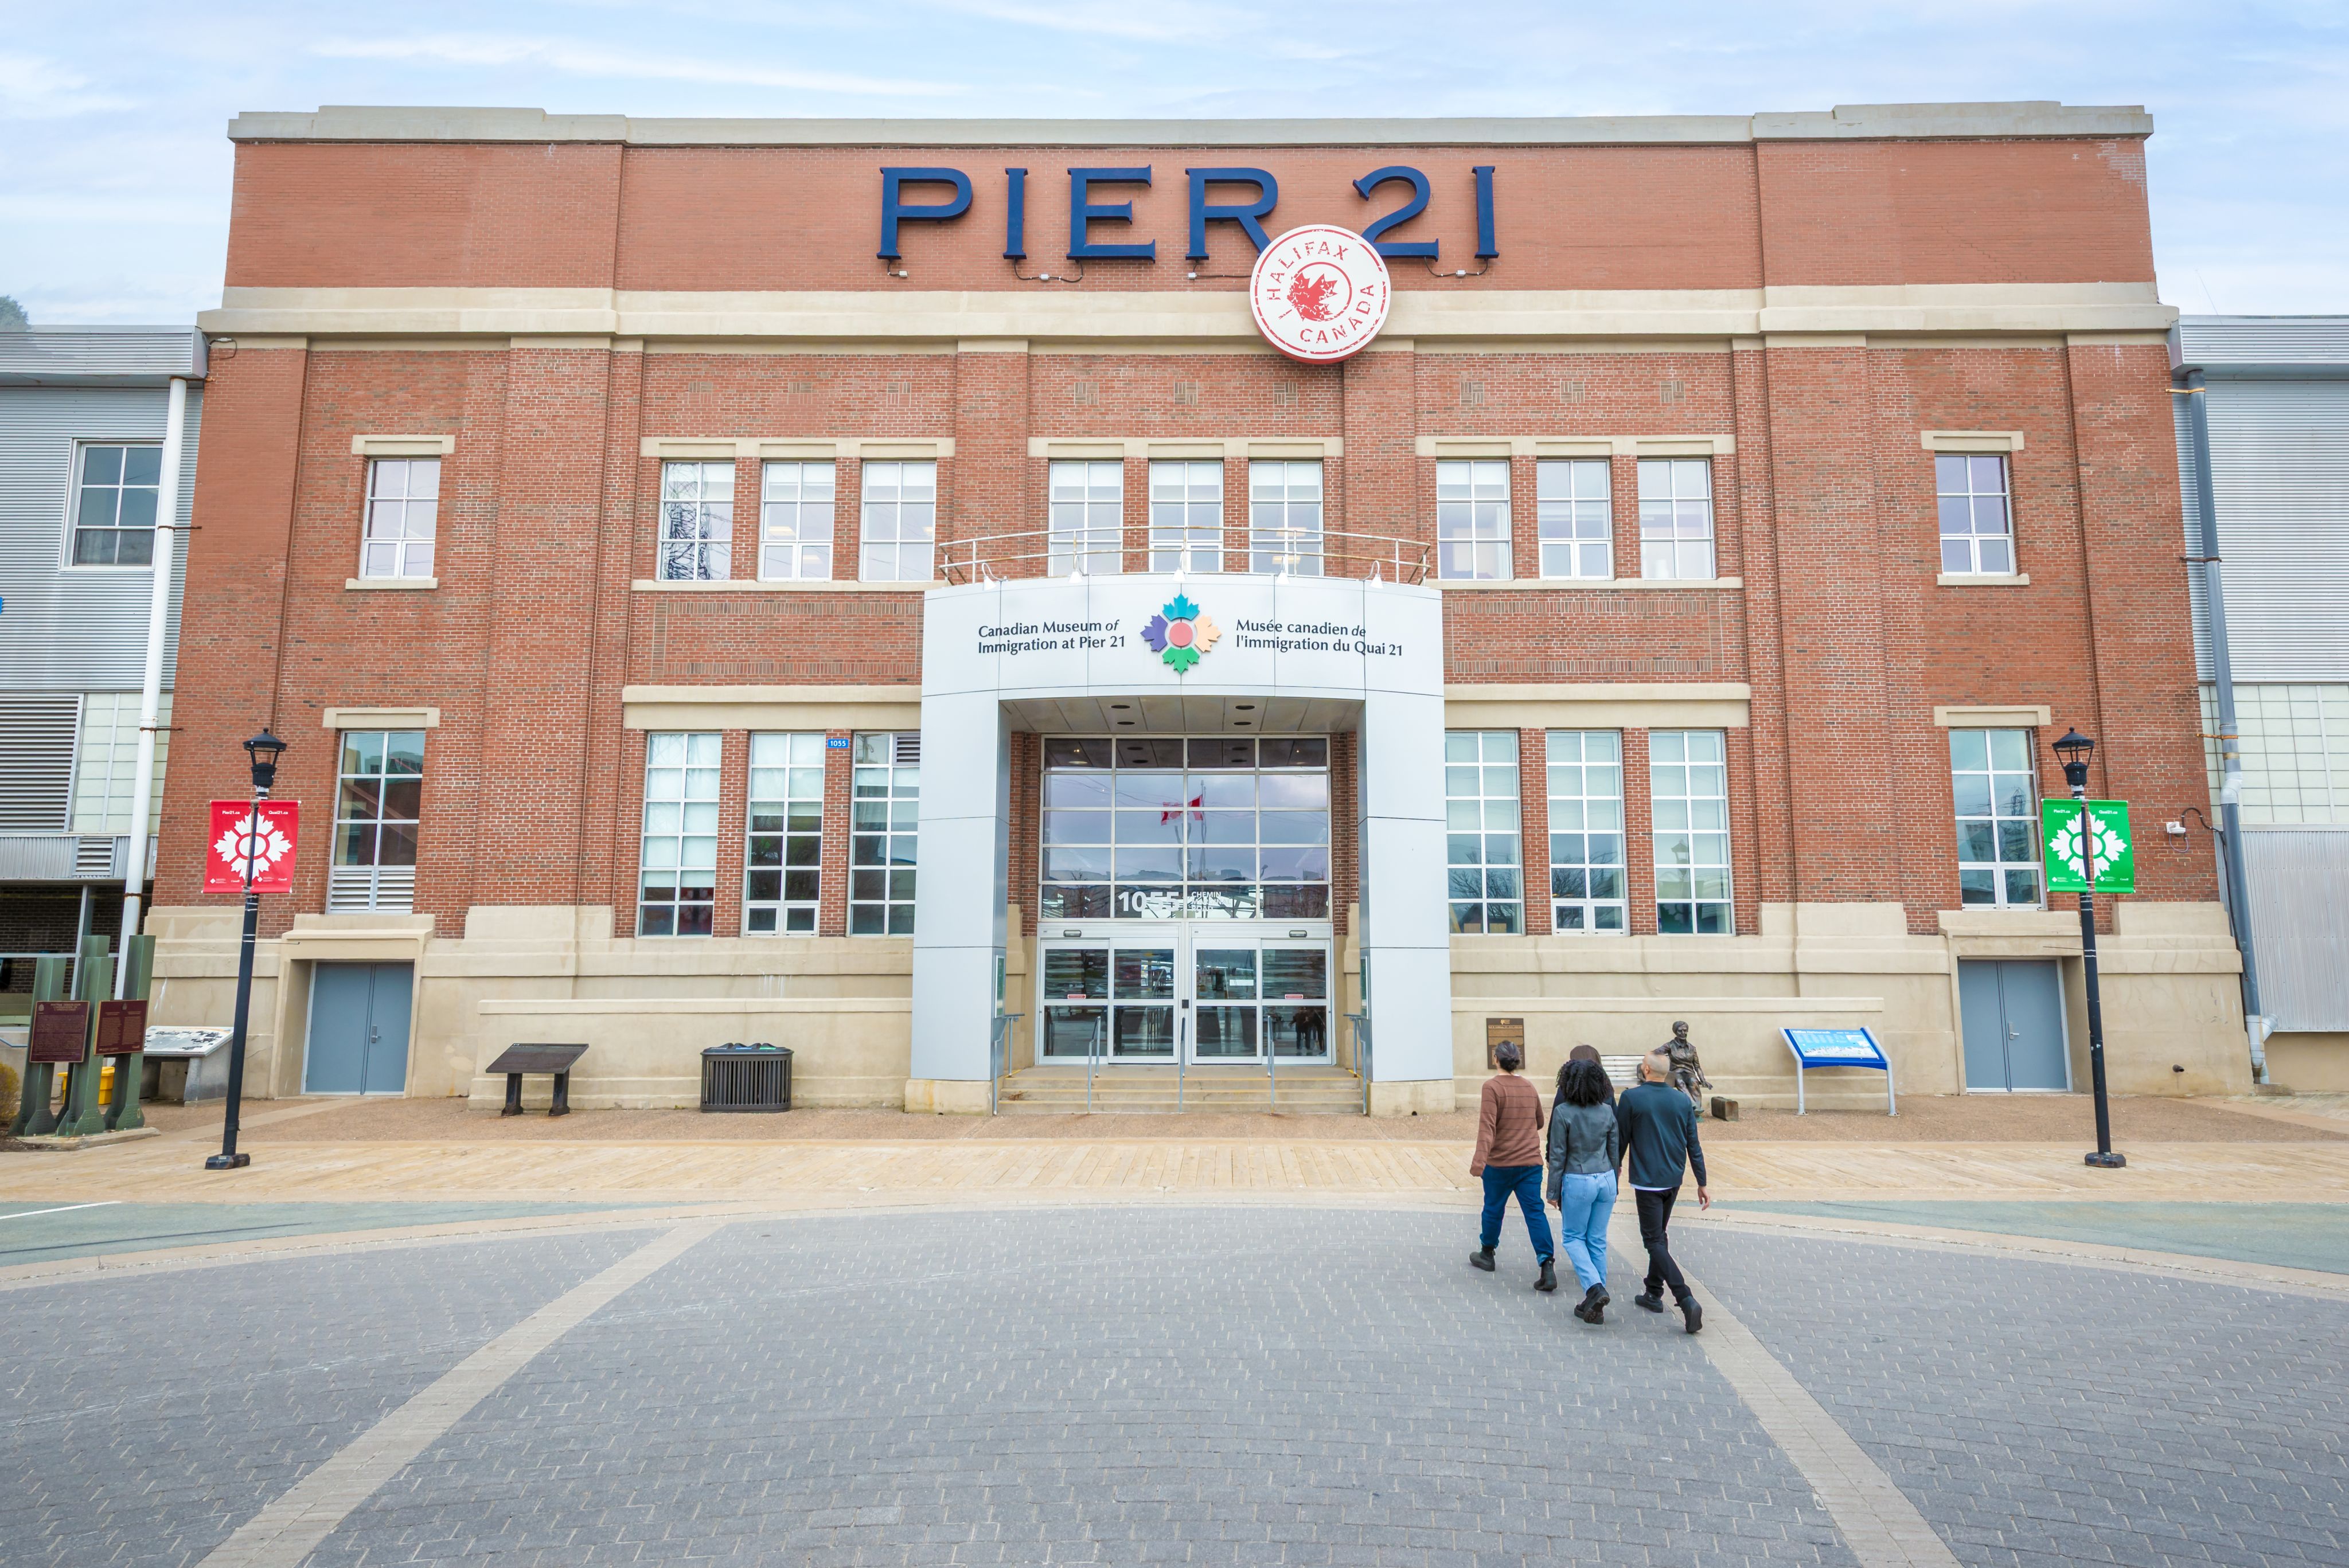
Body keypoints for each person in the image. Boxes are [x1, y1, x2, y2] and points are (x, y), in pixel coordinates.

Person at [1616, 1047, 1710, 1334]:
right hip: (1673, 1179)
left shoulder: (1631, 1098)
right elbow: (1693, 1144)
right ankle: (1653, 1292)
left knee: (1653, 1241)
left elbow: (1621, 1140)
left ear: (1646, 1070)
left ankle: (1685, 1298)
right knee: (1660, 1235)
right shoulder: (1681, 1100)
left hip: (1647, 1181)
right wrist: (1702, 1182)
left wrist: (1614, 1169)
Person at [1469, 1039, 1555, 1292]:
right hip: (1530, 1163)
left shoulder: (1492, 1087)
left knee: (1494, 1208)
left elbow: (1487, 1127)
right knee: (1534, 1212)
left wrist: (1479, 1162)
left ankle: (1487, 1253)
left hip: (1500, 1163)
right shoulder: (1529, 1086)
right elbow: (1539, 1121)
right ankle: (1547, 1264)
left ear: (1496, 1059)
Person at [1545, 1051, 1621, 1323]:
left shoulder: (1563, 1113)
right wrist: (1615, 1184)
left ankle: (1594, 1289)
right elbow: (1615, 1151)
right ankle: (1595, 1306)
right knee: (1597, 1240)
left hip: (1578, 1179)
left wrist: (1552, 1192)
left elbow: (1558, 1156)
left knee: (1573, 1238)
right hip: (1606, 1179)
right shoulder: (1607, 1111)